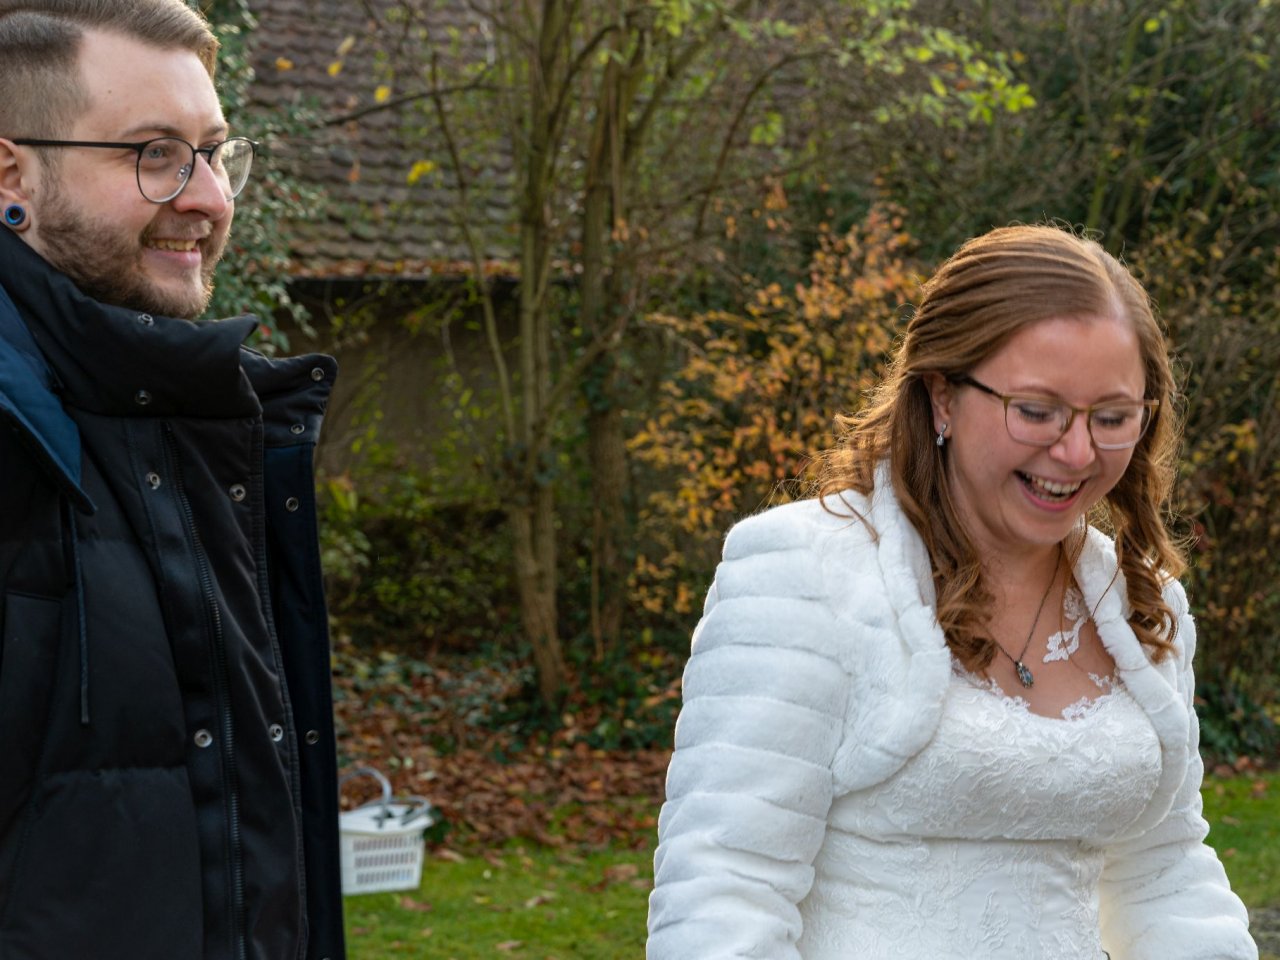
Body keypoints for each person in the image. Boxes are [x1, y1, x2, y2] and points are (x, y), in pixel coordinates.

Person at [647, 224, 1258, 960]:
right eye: (1037, 410)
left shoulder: (1142, 605)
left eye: (1112, 417)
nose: (1076, 452)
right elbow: (722, 895)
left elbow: (1163, 872)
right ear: (941, 396)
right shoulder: (802, 574)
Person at [0, 2, 344, 958]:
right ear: (10, 174)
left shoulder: (187, 423)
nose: (208, 197)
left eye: (215, 152)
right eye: (155, 154)